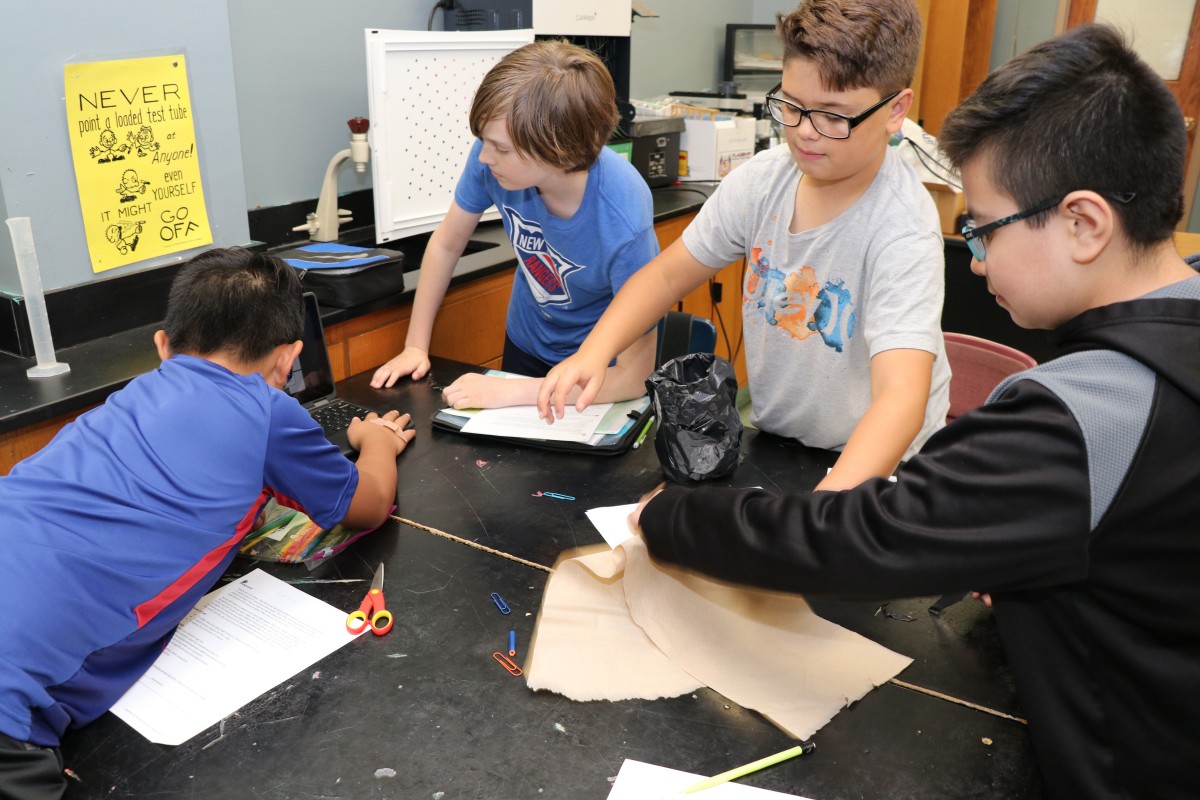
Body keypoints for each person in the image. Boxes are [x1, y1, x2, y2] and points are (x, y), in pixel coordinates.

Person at [630, 24, 1200, 799]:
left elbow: (860, 542)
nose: (973, 257)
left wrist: (673, 519)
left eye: (983, 227)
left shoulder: (1085, 416)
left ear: (1084, 223)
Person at [0, 248, 416, 800]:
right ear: (286, 360)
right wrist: (377, 443)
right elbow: (369, 504)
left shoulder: (127, 398)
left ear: (162, 346)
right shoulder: (267, 409)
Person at [538, 0, 950, 490]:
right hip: (779, 439)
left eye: (833, 117)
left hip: (879, 462)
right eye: (791, 105)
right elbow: (667, 276)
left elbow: (901, 399)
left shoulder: (902, 227)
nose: (801, 131)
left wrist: (813, 516)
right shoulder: (762, 182)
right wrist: (593, 353)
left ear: (894, 111)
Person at [370, 40, 659, 410]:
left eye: (501, 149)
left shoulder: (622, 214)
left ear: (561, 150)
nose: (485, 157)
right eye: (485, 142)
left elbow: (633, 379)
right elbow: (446, 245)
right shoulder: (491, 159)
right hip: (527, 342)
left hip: (598, 370)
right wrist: (415, 345)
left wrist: (511, 393)